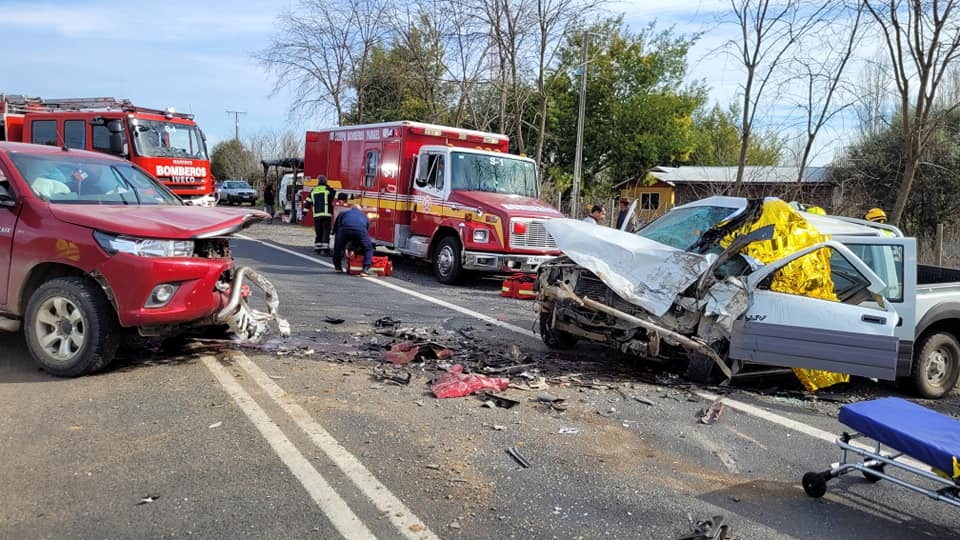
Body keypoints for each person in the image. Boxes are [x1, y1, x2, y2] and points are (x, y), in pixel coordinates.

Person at [332, 204, 374, 276]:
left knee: (337, 248)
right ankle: (365, 269)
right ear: (360, 209)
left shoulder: (344, 213)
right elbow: (365, 231)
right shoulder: (364, 216)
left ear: (351, 208)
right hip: (360, 231)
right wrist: (355, 248)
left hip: (344, 229)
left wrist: (341, 243)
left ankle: (338, 267)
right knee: (369, 248)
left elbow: (337, 227)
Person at [306, 176, 336, 251]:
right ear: (326, 182)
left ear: (318, 181)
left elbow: (308, 203)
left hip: (316, 215)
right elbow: (338, 195)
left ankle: (317, 247)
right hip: (326, 215)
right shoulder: (328, 190)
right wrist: (351, 196)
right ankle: (325, 249)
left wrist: (304, 213)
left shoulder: (313, 190)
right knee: (326, 231)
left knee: (318, 231)